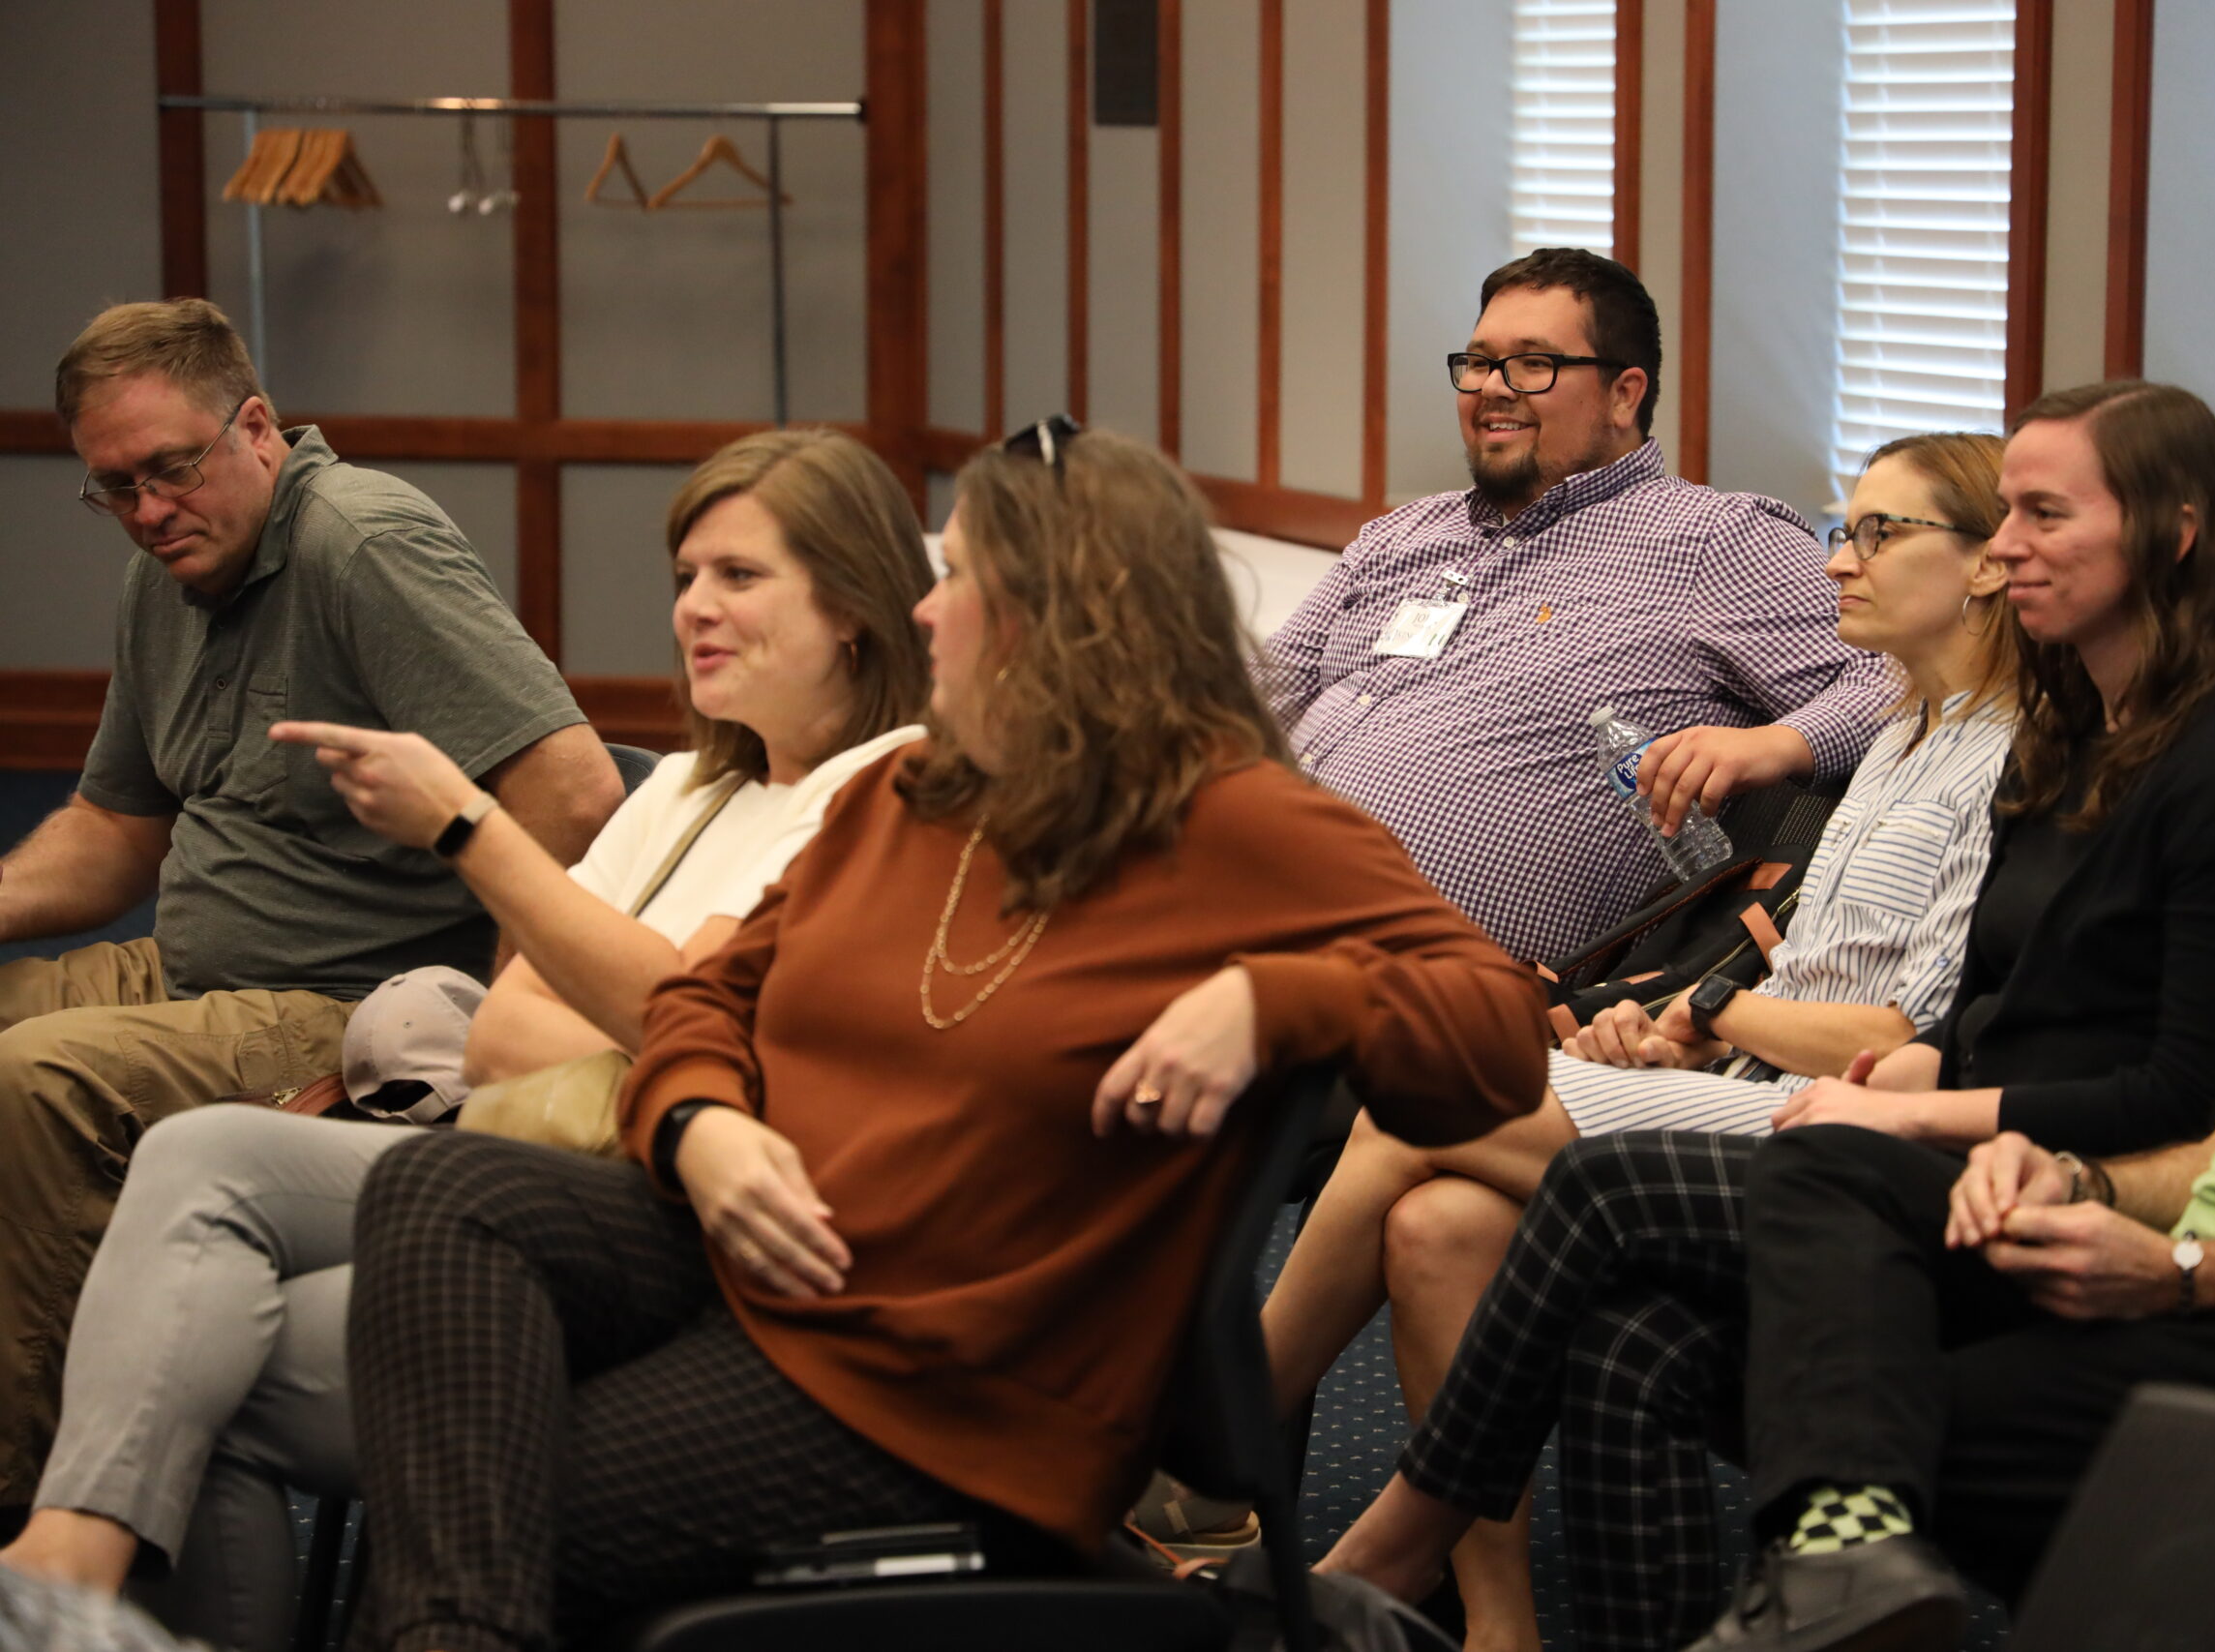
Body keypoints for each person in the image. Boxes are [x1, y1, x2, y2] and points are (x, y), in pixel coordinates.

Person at [334, 422, 1549, 1651]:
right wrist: (699, 1126)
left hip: (942, 1393)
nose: (924, 613)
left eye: (958, 577)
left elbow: (1495, 1033)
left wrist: (1283, 998)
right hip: (771, 1261)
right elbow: (705, 1006)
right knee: (445, 1194)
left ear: (1064, 612)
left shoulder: (1233, 821)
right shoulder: (904, 795)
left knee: (473, 1501)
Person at [1317, 381, 2215, 1652]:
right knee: (1616, 1325)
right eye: (2004, 512)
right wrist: (1870, 1061)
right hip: (1915, 1138)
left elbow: (2183, 1091)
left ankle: (1361, 1529)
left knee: (1566, 1174)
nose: (2010, 545)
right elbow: (1976, 1012)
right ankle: (1524, 1611)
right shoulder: (2073, 733)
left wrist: (1898, 1091)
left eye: (2042, 513)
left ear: (2173, 532)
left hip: (2040, 1180)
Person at [0, 429, 934, 1652]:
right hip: (517, 1156)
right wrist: (608, 1006)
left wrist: (474, 837)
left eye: (739, 578)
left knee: (176, 1362)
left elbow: (684, 1019)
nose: (695, 609)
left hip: (656, 1228)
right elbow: (506, 1034)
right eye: (685, 577)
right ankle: (69, 1571)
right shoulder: (686, 790)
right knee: (197, 1170)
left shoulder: (886, 791)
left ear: (857, 610)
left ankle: (67, 1580)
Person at [1670, 454, 2215, 1652]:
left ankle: (1844, 1567)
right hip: (2211, 1272)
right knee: (1824, 1188)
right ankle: (1849, 1568)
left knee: (1868, 1424)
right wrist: (2078, 1184)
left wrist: (2188, 1271)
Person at [1252, 431, 2020, 1651]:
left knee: (1423, 1101)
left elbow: (1899, 1035)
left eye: (1881, 535)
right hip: (1746, 1086)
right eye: (1845, 531)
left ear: (1989, 566)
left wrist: (1711, 1012)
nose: (1839, 565)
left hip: (1848, 1143)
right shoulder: (1899, 738)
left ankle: (1215, 1439)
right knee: (1433, 1223)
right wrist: (1681, 1038)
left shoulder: (2009, 758)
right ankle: (1503, 1629)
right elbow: (1799, 967)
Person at [0, 299, 619, 1510]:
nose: (146, 513)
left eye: (170, 471)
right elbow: (115, 838)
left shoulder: (360, 542)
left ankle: (38, 1510)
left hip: (341, 1000)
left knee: (32, 1083)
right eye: (113, 489)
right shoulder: (164, 575)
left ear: (258, 428)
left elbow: (575, 792)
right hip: (191, 963)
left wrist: (506, 1005)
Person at [1255, 248, 1891, 964]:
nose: (1494, 387)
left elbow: (1895, 681)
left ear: (1624, 394)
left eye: (1533, 364)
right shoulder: (1403, 532)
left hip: (1405, 983)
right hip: (1233, 899)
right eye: (1480, 362)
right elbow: (1244, 703)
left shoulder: (1713, 539)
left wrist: (1775, 745)